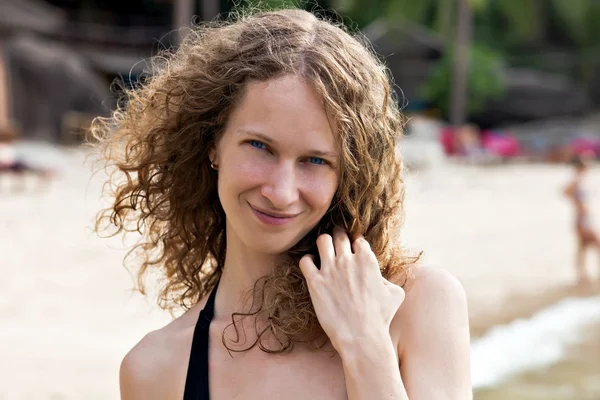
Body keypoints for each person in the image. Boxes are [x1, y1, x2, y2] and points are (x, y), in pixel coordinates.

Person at [93, 8, 471, 399]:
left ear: (349, 175)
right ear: (212, 144)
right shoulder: (156, 369)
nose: (281, 191)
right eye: (260, 146)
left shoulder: (416, 305)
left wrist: (366, 346)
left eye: (315, 161)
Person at [564, 152, 599, 286]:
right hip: (582, 218)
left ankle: (581, 276)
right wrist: (577, 205)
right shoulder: (577, 179)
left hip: (584, 217)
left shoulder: (583, 179)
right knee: (595, 244)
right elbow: (565, 191)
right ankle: (584, 275)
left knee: (582, 248)